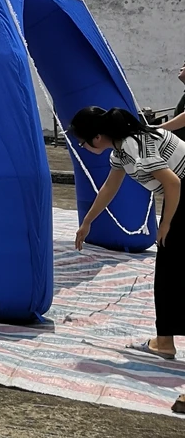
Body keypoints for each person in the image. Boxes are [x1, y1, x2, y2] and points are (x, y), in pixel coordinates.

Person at [70, 106, 184, 359]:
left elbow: (174, 182)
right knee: (168, 271)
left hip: (180, 193)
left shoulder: (133, 145)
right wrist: (87, 222)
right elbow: (109, 187)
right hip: (178, 196)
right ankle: (164, 339)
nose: (83, 147)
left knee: (170, 270)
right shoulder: (121, 152)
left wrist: (165, 224)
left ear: (96, 137)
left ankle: (165, 340)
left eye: (82, 142)